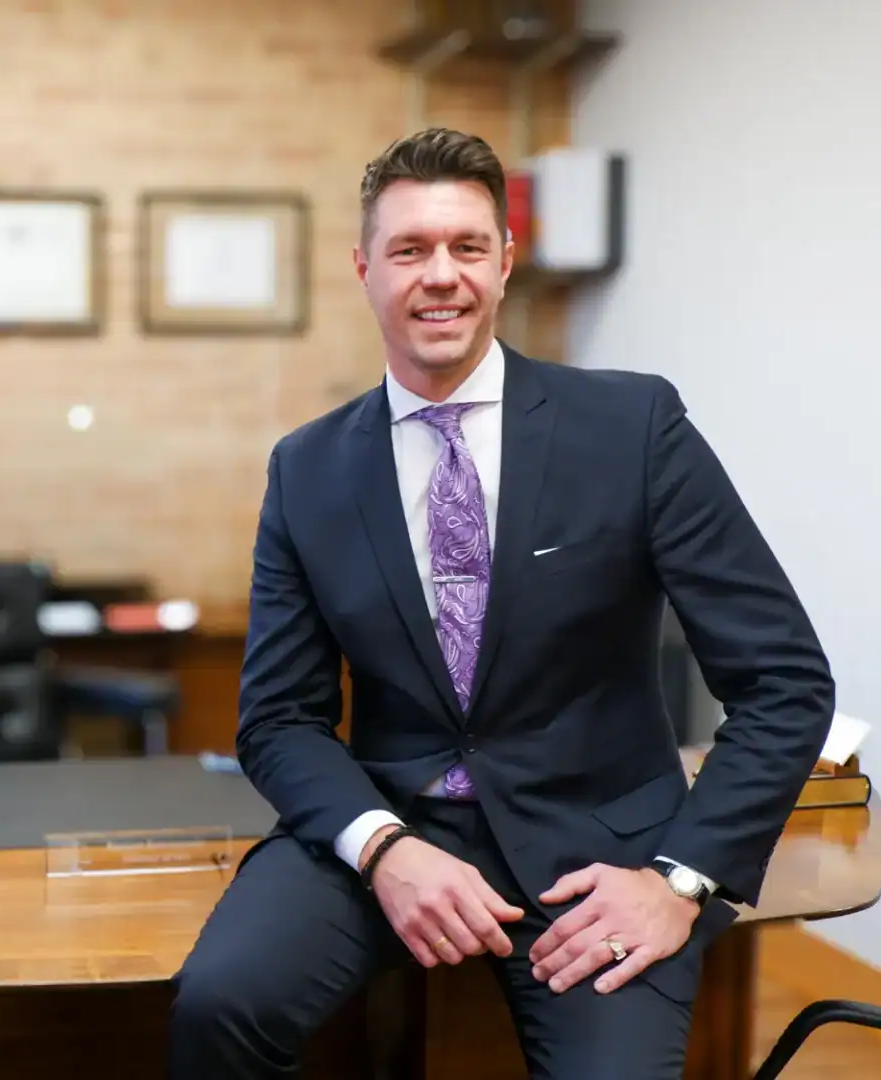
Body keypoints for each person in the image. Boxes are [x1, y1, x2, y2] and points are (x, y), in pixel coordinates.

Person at [168, 128, 835, 1079]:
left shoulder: (633, 426)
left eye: (466, 247)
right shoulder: (307, 468)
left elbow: (783, 682)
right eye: (409, 250)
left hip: (600, 854)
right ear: (364, 270)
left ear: (506, 263)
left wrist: (678, 880)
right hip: (389, 825)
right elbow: (278, 720)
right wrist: (383, 849)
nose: (440, 275)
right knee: (217, 1008)